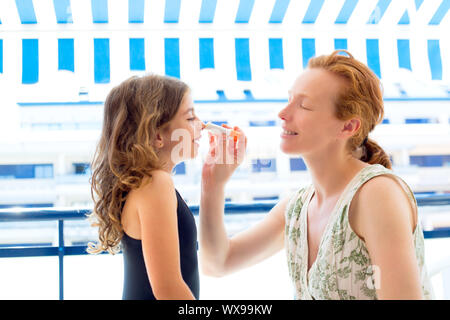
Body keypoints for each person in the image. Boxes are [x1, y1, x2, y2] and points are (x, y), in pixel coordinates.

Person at [199, 50, 433, 300]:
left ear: (348, 126)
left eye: (304, 105)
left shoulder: (377, 194)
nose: (283, 113)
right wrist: (212, 184)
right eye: (289, 99)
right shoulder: (298, 207)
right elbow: (218, 263)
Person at [88, 74, 204, 300]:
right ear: (158, 135)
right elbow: (168, 289)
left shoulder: (146, 183)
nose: (202, 123)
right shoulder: (156, 184)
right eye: (190, 118)